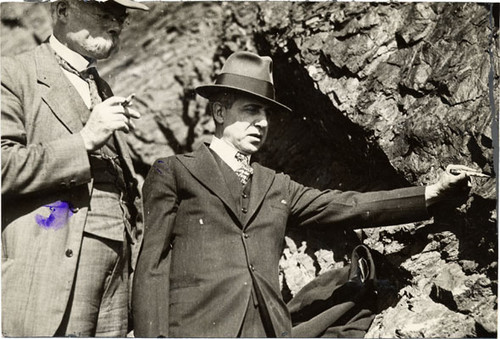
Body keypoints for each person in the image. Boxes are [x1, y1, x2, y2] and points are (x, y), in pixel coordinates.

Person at [132, 51, 471, 337]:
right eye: (251, 110)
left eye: (266, 114)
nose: (262, 123)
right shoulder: (174, 171)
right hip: (195, 329)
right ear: (220, 112)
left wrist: (431, 193)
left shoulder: (275, 184)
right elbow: (151, 266)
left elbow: (346, 205)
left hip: (265, 330)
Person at [1, 0, 148, 336]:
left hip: (117, 275)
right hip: (52, 276)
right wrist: (84, 140)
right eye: (104, 13)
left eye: (120, 17)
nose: (115, 25)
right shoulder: (12, 73)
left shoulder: (102, 87)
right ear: (62, 11)